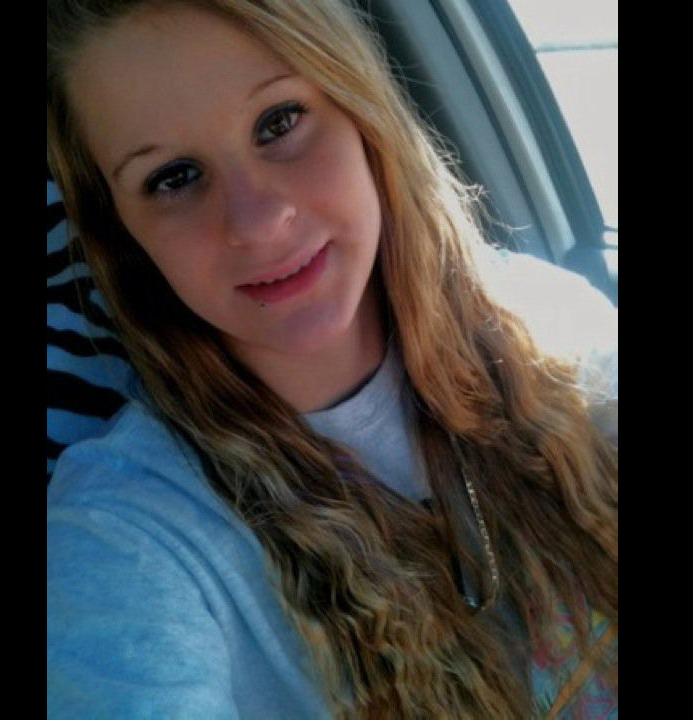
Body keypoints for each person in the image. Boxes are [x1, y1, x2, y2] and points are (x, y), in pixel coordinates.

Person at [46, 0, 618, 718]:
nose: (258, 222)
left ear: (362, 109)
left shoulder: (556, 327)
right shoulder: (125, 539)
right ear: (122, 232)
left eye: (279, 122)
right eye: (174, 177)